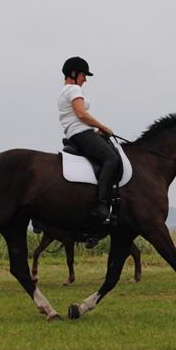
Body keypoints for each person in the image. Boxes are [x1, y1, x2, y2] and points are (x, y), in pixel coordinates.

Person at [59, 57, 121, 225]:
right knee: (111, 159)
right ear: (74, 73)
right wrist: (104, 127)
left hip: (77, 133)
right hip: (81, 133)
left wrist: (95, 131)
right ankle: (101, 205)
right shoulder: (73, 90)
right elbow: (81, 114)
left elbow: (75, 118)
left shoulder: (64, 91)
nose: (85, 79)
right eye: (84, 75)